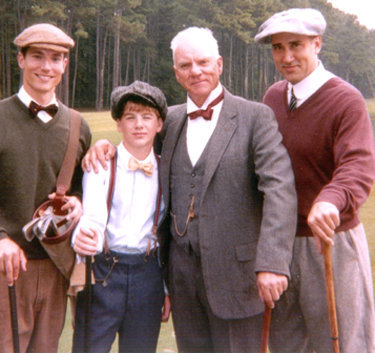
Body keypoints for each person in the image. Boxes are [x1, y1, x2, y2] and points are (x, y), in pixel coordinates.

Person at [82, 27, 297, 353]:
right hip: (182, 282)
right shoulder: (167, 120)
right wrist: (102, 146)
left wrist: (272, 263)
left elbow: (280, 192)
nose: (195, 71)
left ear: (220, 65)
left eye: (203, 62)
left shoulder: (256, 117)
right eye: (185, 65)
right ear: (176, 73)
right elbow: (134, 144)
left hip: (236, 278)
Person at [254, 8, 375, 353]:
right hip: (279, 245)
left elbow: (358, 164)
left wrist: (330, 198)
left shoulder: (345, 100)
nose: (287, 56)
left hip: (330, 242)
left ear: (317, 44)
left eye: (296, 45)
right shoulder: (273, 97)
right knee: (286, 345)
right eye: (278, 48)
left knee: (343, 345)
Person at [0, 23, 91, 353]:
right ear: (21, 60)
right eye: (37, 56)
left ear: (65, 66)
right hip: (5, 267)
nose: (46, 67)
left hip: (55, 268)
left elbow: (83, 188)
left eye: (56, 58)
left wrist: (79, 203)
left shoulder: (78, 126)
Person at [71, 80, 171, 353]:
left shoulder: (167, 170)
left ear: (159, 124)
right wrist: (82, 239)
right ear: (118, 124)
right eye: (130, 117)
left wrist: (165, 288)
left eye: (147, 117)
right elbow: (92, 217)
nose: (139, 124)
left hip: (148, 273)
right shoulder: (101, 164)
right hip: (104, 271)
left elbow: (166, 233)